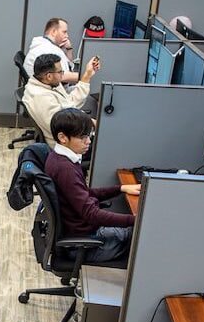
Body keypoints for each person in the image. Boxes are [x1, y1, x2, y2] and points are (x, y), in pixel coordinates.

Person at [45, 108, 140, 263]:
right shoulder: (66, 169)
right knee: (139, 235)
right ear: (63, 137)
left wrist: (120, 188)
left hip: (79, 233)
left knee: (131, 227)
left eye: (88, 136)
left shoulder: (58, 158)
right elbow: (91, 214)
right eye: (83, 137)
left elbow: (84, 192)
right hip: (82, 244)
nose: (88, 141)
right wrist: (136, 220)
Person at [22, 53, 100, 147]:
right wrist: (89, 121)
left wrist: (87, 75)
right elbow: (62, 126)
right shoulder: (41, 98)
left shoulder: (48, 84)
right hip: (65, 145)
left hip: (70, 135)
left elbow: (70, 102)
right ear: (49, 76)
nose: (62, 75)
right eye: (60, 72)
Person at [24, 18, 78, 83]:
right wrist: (84, 76)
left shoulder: (46, 44)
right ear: (53, 32)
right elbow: (61, 76)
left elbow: (68, 67)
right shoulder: (48, 49)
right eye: (64, 32)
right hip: (48, 91)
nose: (67, 35)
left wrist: (68, 49)